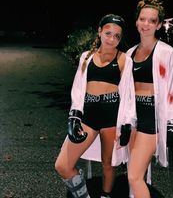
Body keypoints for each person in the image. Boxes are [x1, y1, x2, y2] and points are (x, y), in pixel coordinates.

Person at [55, 14, 136, 198]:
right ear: (99, 32)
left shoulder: (124, 59)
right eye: (108, 33)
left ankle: (105, 196)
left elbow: (129, 94)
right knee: (62, 165)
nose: (112, 39)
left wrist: (126, 123)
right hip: (88, 115)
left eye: (117, 36)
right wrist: (74, 115)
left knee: (109, 163)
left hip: (111, 116)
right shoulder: (86, 57)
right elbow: (78, 87)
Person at [126, 0, 173, 198]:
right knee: (135, 170)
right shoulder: (129, 53)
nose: (146, 24)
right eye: (142, 19)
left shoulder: (166, 52)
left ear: (158, 25)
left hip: (153, 118)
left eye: (152, 20)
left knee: (133, 175)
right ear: (136, 21)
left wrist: (172, 122)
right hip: (133, 118)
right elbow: (124, 90)